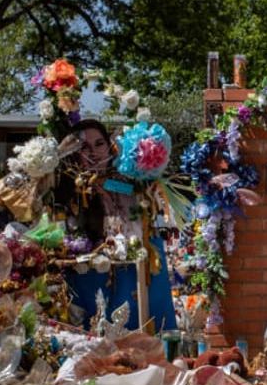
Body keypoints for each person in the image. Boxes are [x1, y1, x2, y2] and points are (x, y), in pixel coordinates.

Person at [57, 119, 177, 332]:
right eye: (84, 147)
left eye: (99, 144)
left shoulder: (131, 179)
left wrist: (106, 184)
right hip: (94, 278)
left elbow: (136, 196)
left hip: (136, 273)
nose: (92, 152)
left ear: (110, 146)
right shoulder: (70, 190)